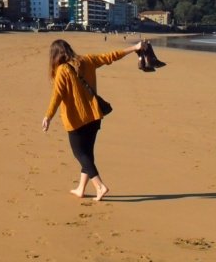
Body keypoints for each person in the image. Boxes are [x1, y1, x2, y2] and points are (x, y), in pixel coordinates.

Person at [41, 37, 142, 201]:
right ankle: (81, 188)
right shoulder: (87, 60)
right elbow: (111, 56)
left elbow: (57, 96)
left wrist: (48, 116)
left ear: (54, 56)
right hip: (94, 117)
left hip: (76, 120)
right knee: (87, 153)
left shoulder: (62, 70)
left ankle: (100, 186)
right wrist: (134, 48)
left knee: (80, 154)